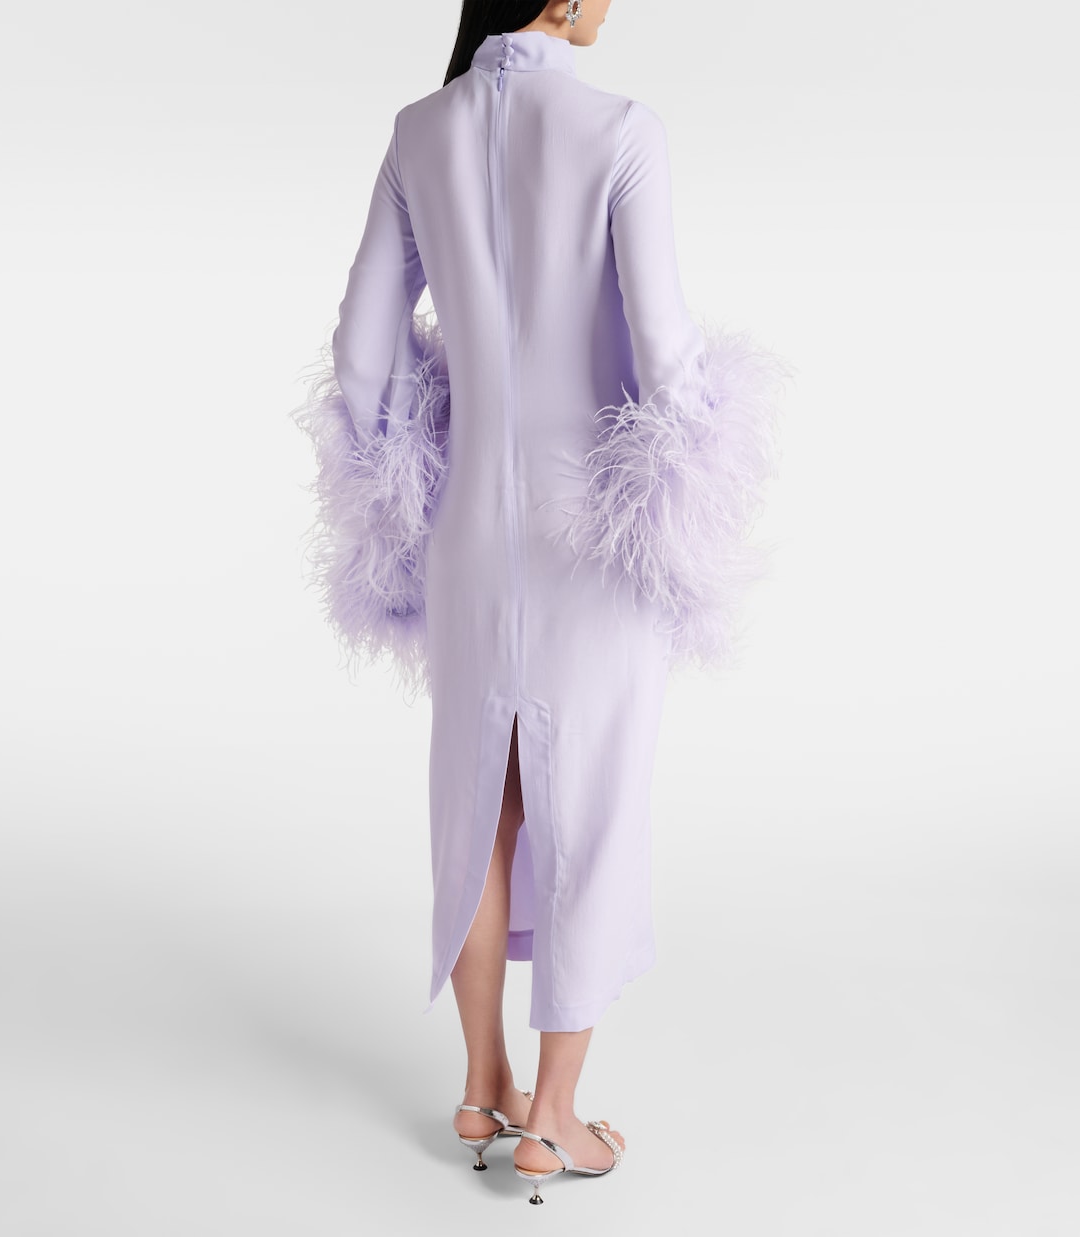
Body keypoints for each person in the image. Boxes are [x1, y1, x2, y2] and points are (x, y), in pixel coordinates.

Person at [290, 0, 790, 1205]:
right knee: (594, 808)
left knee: (483, 807)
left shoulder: (419, 131)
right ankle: (554, 1119)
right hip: (596, 536)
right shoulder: (619, 129)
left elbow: (360, 353)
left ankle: (482, 1084)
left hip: (469, 532)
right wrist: (704, 468)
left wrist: (413, 464)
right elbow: (666, 359)